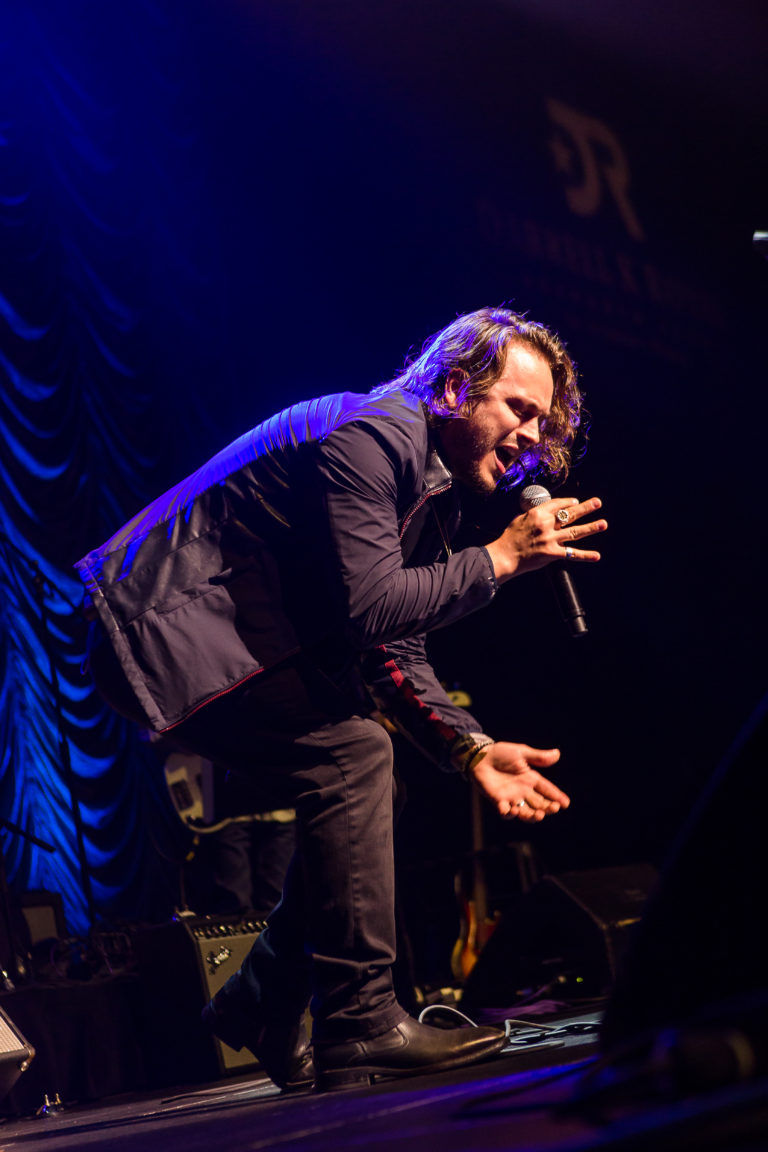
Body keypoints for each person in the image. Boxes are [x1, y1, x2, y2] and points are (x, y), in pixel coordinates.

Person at [76, 306, 607, 1092]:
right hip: (152, 628)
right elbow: (371, 609)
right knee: (353, 753)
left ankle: (261, 1003)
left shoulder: (430, 482)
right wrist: (496, 561)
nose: (532, 437)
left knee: (363, 777)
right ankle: (357, 1021)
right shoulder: (373, 437)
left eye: (543, 423)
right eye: (520, 409)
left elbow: (393, 639)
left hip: (236, 631)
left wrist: (470, 746)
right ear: (455, 390)